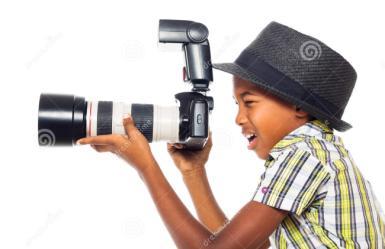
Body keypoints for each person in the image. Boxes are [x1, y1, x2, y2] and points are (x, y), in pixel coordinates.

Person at [76, 21, 385, 248]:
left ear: (299, 108)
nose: (238, 118)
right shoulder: (320, 149)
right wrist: (194, 172)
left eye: (249, 103)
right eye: (237, 104)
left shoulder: (302, 154)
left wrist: (146, 166)